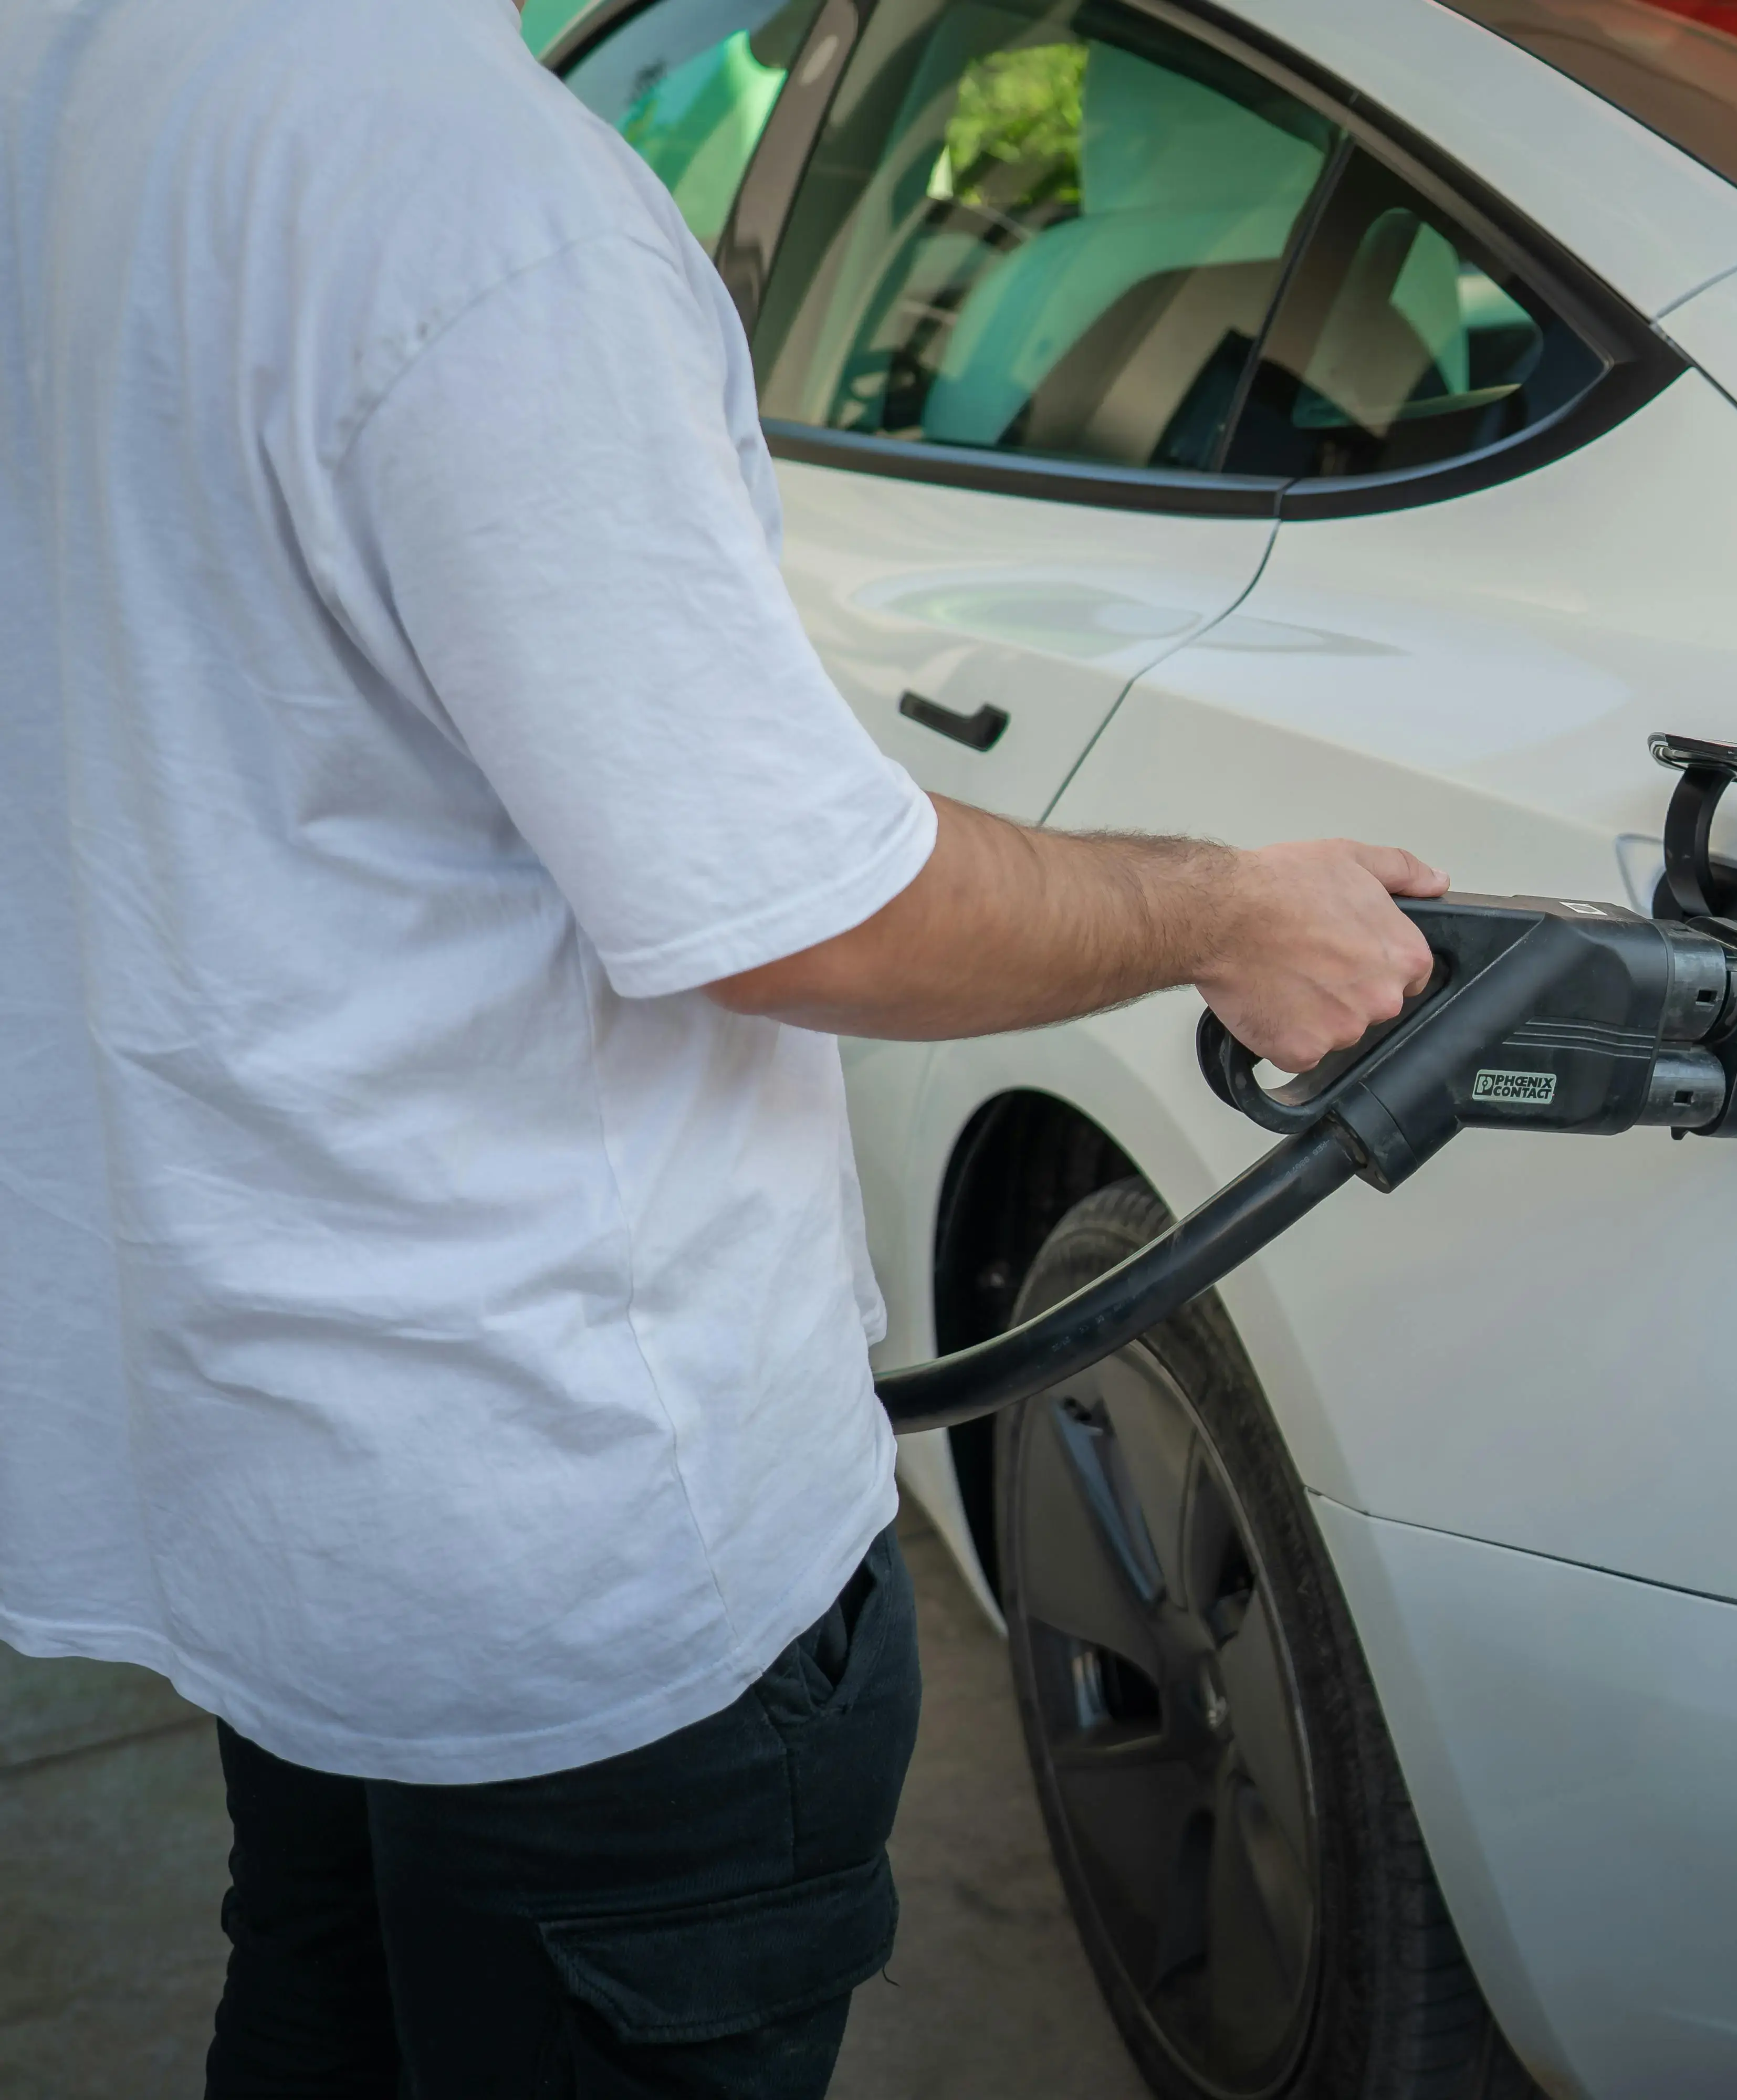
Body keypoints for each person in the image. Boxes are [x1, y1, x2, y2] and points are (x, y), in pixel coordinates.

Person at [0, 0, 1444, 2090]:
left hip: (269, 1485)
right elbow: (798, 902)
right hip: (558, 1540)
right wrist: (1226, 910)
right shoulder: (472, 202)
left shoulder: (72, 81)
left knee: (319, 2009)